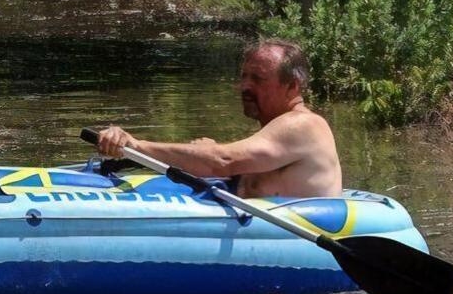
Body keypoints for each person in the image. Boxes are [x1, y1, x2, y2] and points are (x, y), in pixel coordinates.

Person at [95, 39, 343, 199]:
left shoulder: (303, 124)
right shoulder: (276, 130)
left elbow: (223, 161)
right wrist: (210, 152)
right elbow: (226, 161)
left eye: (257, 79)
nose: (244, 86)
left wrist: (134, 146)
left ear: (292, 86)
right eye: (244, 77)